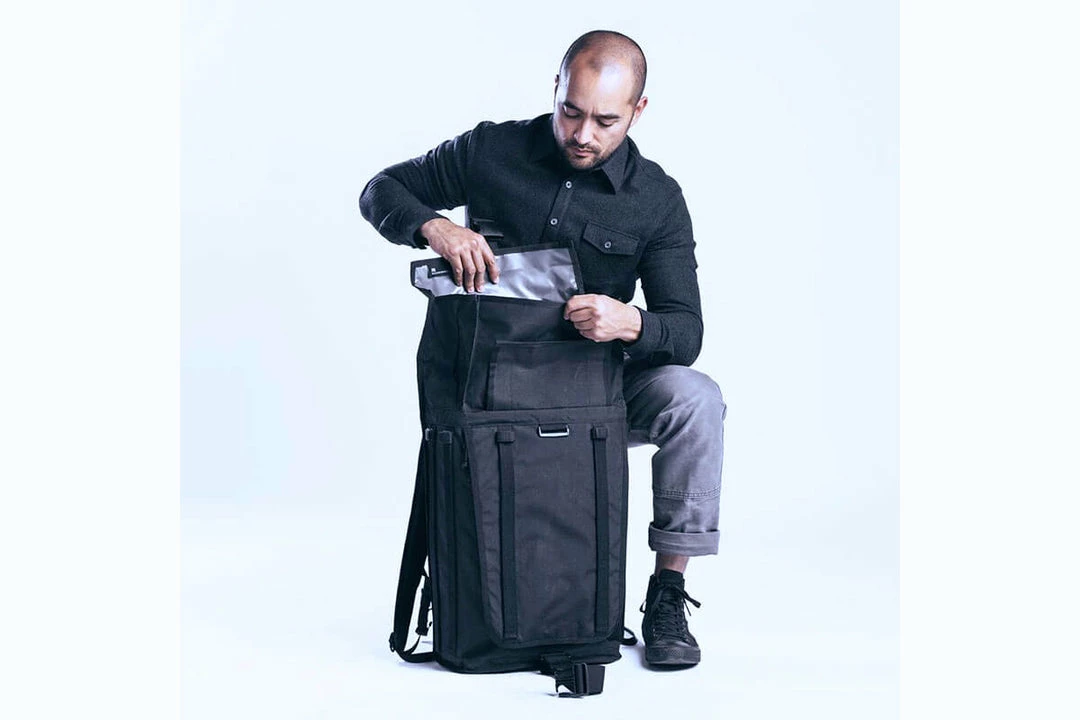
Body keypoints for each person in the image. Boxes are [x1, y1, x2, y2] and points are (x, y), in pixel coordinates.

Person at [359, 29, 726, 668]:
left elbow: (685, 332)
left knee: (696, 400)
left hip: (596, 391)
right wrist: (435, 225)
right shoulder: (489, 149)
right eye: (571, 111)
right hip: (489, 382)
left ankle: (668, 592)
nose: (582, 134)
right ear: (555, 89)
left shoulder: (657, 199)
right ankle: (477, 600)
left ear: (638, 111)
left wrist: (629, 322)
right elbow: (379, 190)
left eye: (605, 121)